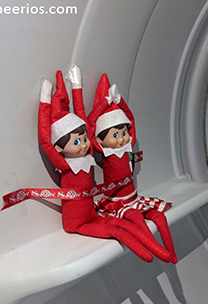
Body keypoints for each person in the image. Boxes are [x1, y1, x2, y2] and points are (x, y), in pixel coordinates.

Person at [37, 68, 173, 263]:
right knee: (120, 230)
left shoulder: (89, 156)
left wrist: (79, 86)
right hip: (77, 223)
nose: (84, 145)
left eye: (84, 139)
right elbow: (45, 140)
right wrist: (45, 100)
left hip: (95, 211)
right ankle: (154, 256)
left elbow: (86, 120)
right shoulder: (65, 164)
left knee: (130, 225)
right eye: (77, 142)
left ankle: (166, 255)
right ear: (58, 148)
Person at [87, 73, 177, 263]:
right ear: (100, 139)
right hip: (117, 203)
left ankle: (171, 254)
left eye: (123, 133)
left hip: (134, 198)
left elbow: (131, 120)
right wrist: (104, 103)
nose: (121, 139)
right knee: (136, 218)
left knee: (160, 217)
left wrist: (119, 100)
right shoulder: (104, 151)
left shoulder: (128, 145)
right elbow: (90, 127)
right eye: (115, 135)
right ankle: (157, 252)